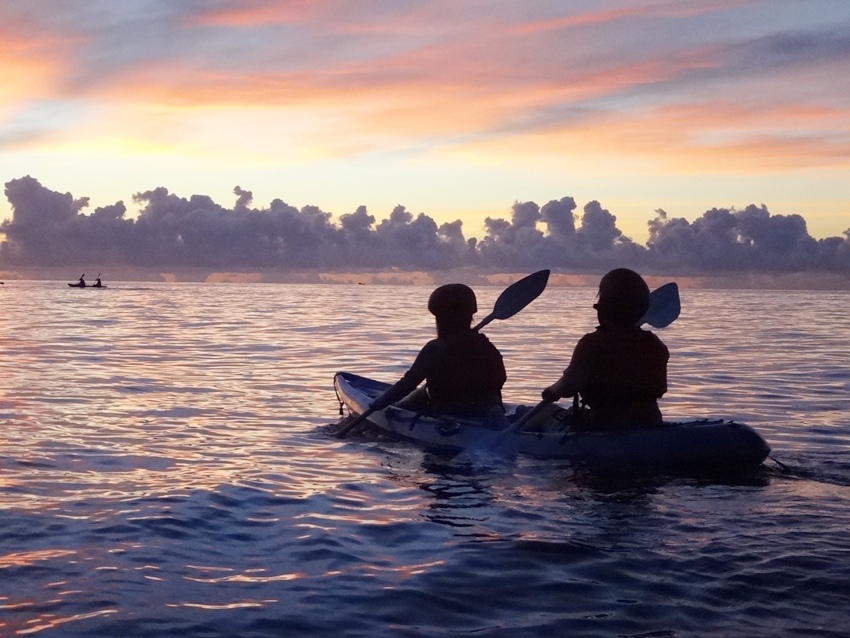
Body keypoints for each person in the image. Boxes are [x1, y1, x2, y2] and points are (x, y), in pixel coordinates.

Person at [541, 268, 669, 429]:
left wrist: (551, 391)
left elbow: (569, 385)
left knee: (536, 413)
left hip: (603, 425)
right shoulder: (655, 345)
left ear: (604, 310)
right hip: (650, 423)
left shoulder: (592, 343)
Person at [368, 283, 507, 420]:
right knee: (423, 392)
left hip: (452, 412)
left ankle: (396, 408)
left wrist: (377, 404)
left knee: (418, 397)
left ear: (440, 317)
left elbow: (408, 384)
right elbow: (500, 378)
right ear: (470, 314)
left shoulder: (435, 348)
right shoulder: (486, 345)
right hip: (488, 406)